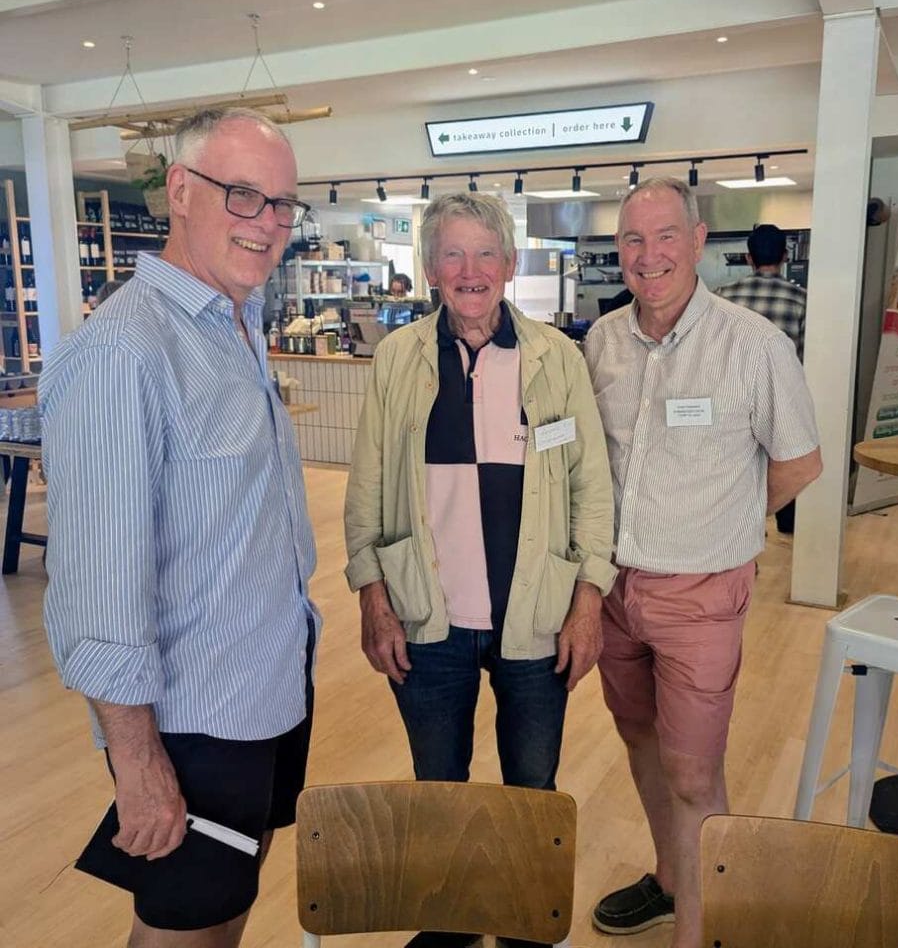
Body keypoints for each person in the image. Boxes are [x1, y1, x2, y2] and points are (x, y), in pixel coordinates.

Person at [41, 107, 319, 948]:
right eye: (243, 195)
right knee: (181, 929)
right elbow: (97, 589)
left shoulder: (235, 324)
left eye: (282, 203)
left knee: (226, 908)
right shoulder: (124, 352)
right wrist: (137, 761)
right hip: (191, 718)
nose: (267, 222)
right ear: (180, 191)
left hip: (265, 689)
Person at [345, 192, 616, 948]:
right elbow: (367, 487)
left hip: (536, 614)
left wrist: (588, 600)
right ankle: (453, 922)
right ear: (431, 268)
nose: (471, 270)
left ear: (510, 263)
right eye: (453, 255)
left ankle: (527, 924)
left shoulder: (556, 357)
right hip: (427, 616)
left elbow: (591, 486)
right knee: (439, 791)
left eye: (485, 253)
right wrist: (372, 597)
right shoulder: (398, 358)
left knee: (532, 790)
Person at [584, 178, 822, 948]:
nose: (647, 255)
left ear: (696, 242)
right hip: (612, 591)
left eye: (664, 236)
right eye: (632, 239)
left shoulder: (752, 345)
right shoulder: (602, 341)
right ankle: (669, 879)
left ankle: (700, 929)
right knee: (637, 738)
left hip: (701, 595)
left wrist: (725, 524)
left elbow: (799, 461)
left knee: (693, 772)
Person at [715, 223, 808, 534]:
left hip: (729, 399)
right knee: (785, 457)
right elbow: (805, 357)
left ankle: (743, 527)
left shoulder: (723, 297)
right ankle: (785, 522)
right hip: (781, 400)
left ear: (748, 258)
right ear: (785, 257)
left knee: (736, 466)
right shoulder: (801, 299)